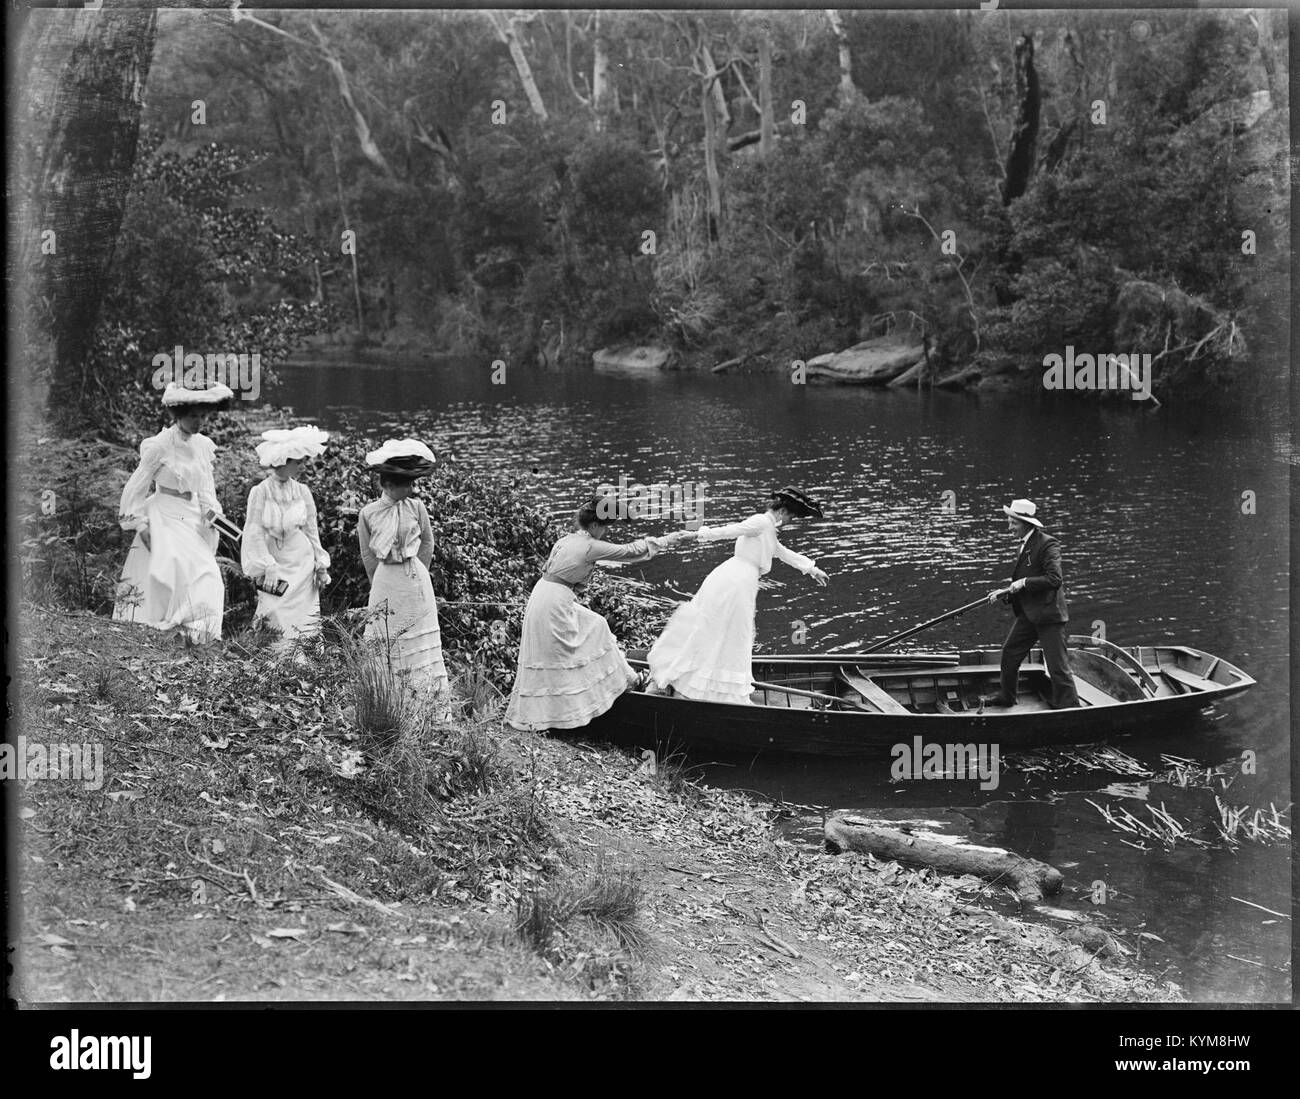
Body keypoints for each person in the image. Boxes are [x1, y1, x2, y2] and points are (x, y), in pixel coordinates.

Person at [506, 495, 692, 732]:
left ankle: (624, 679)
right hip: (555, 601)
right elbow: (629, 551)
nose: (604, 532)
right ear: (594, 526)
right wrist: (667, 540)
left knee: (594, 626)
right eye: (604, 527)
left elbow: (554, 571)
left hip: (543, 594)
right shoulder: (590, 545)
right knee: (560, 651)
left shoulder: (567, 539)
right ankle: (602, 692)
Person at [648, 487, 829, 704]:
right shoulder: (762, 522)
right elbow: (731, 530)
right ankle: (692, 685)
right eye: (790, 516)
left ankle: (698, 685)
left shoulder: (768, 529)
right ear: (781, 511)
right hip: (735, 583)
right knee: (728, 632)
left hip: (739, 580)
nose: (789, 521)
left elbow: (781, 552)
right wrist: (696, 535)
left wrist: (811, 568)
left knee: (722, 631)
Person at [113, 381, 233, 644]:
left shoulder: (203, 445)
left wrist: (212, 514)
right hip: (164, 513)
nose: (199, 422)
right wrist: (140, 524)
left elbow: (205, 489)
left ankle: (197, 636)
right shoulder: (160, 446)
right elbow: (136, 488)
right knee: (171, 570)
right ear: (177, 414)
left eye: (203, 416)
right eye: (193, 416)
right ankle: (166, 633)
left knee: (208, 574)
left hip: (191, 516)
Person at [357, 439, 448, 703]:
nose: (409, 489)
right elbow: (367, 552)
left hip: (414, 576)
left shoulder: (416, 507)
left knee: (418, 638)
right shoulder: (369, 513)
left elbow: (428, 541)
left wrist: (419, 572)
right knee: (387, 636)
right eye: (403, 484)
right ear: (386, 484)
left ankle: (426, 702)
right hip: (386, 577)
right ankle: (388, 701)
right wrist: (378, 581)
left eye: (411, 483)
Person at [981, 498, 1081, 710]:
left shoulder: (1048, 544)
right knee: (1009, 653)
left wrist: (1023, 583)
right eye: (1009, 522)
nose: (1009, 527)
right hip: (1029, 614)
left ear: (1026, 523)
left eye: (1013, 523)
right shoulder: (1025, 544)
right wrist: (1005, 592)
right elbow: (1023, 581)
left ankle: (1071, 709)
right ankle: (1007, 697)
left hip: (1049, 616)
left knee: (1057, 668)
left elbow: (1054, 580)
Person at [241, 426, 332, 645]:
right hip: (273, 556)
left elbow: (311, 529)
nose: (302, 466)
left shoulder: (302, 491)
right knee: (274, 606)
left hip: (300, 558)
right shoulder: (261, 491)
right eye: (298, 462)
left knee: (303, 613)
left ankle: (301, 659)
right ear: (284, 461)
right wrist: (267, 562)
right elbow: (254, 530)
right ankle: (272, 655)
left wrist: (320, 562)